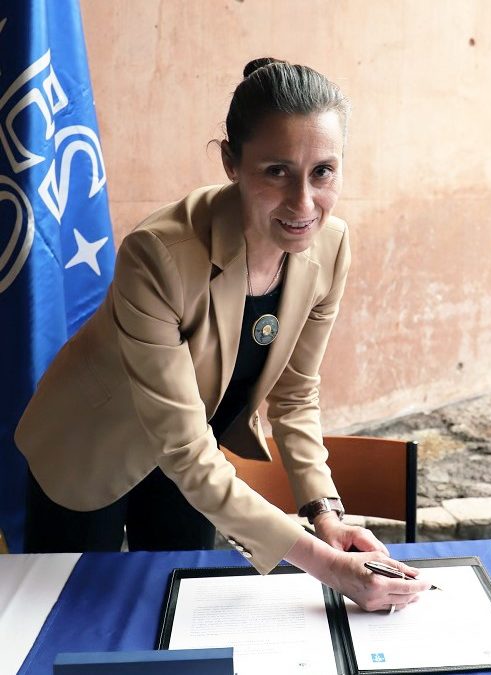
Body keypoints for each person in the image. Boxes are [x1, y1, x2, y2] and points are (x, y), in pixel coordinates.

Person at [15, 58, 429, 611]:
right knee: (72, 618)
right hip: (91, 447)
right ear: (232, 162)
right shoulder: (158, 254)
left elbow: (295, 392)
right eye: (276, 171)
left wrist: (322, 511)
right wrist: (327, 566)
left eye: (323, 171)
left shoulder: (331, 246)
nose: (304, 203)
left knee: (178, 607)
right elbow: (181, 445)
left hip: (194, 455)